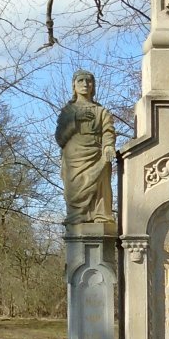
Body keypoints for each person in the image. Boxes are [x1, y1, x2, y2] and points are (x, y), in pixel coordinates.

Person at [55, 70, 116, 224]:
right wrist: (75, 119)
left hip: (96, 156)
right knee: (73, 189)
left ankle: (99, 215)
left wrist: (108, 145)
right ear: (74, 86)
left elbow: (108, 131)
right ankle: (77, 215)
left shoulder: (101, 111)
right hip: (73, 158)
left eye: (89, 81)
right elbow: (60, 138)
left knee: (100, 186)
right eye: (80, 81)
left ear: (93, 86)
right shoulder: (67, 112)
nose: (85, 84)